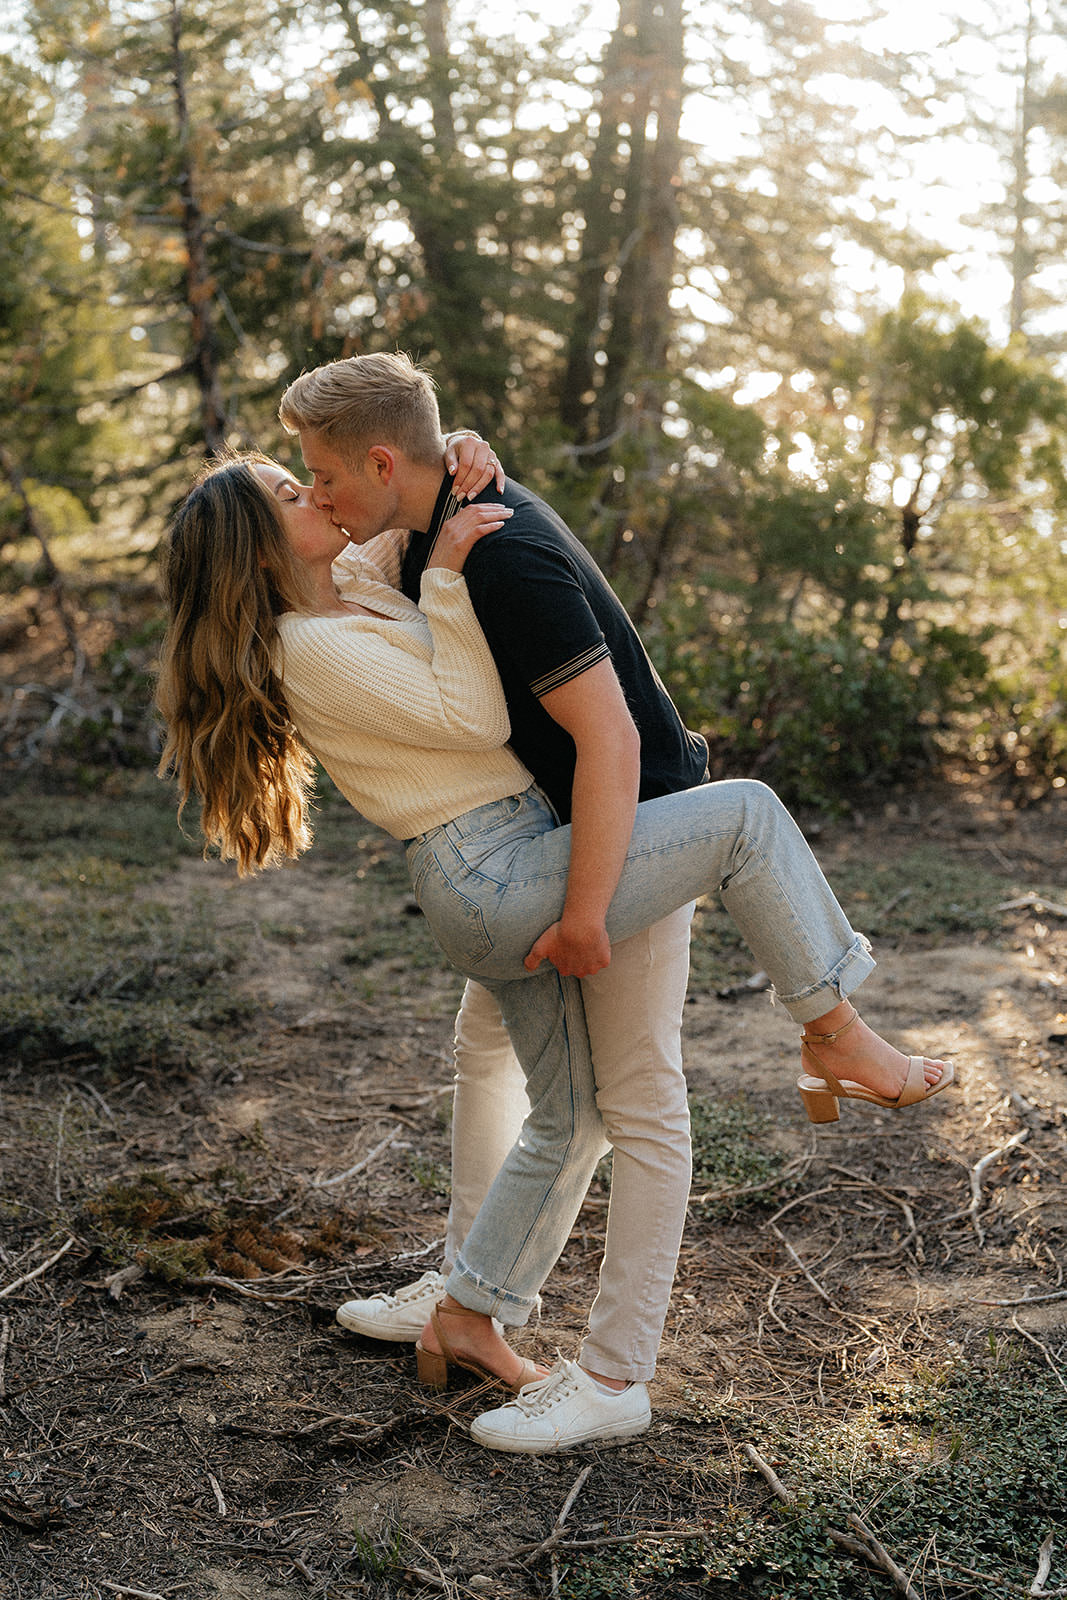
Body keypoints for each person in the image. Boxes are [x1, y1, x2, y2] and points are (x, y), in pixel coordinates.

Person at [156, 438, 952, 1457]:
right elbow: (473, 708)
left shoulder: (339, 581)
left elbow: (390, 493)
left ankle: (467, 1307)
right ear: (258, 554)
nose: (312, 491)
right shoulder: (304, 644)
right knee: (744, 816)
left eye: (303, 474)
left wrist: (458, 452)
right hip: (491, 871)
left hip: (507, 856)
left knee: (569, 1111)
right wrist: (444, 577)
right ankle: (832, 1026)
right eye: (286, 492)